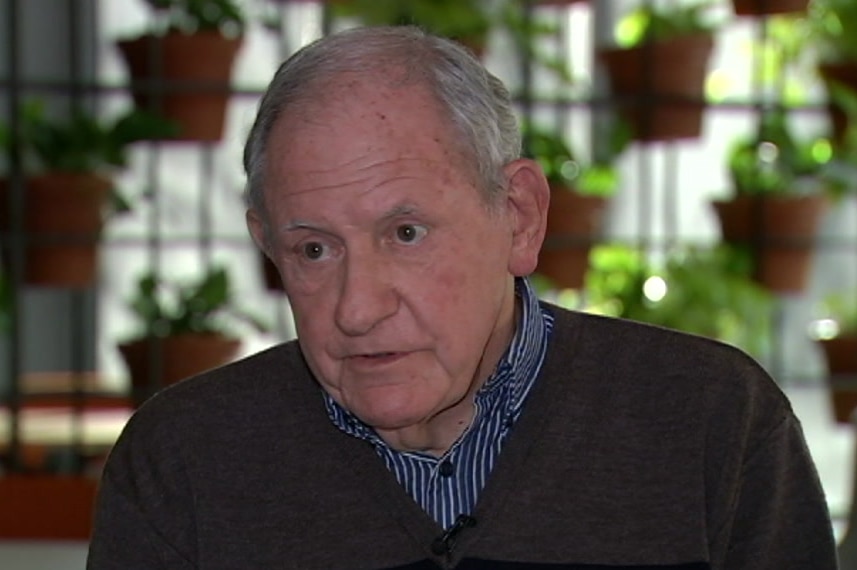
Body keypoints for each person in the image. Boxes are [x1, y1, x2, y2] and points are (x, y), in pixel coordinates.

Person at [87, 26, 838, 569]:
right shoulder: (183, 461)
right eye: (313, 249)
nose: (356, 307)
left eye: (405, 232)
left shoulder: (711, 424)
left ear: (518, 216)